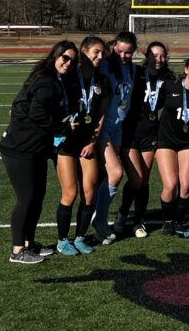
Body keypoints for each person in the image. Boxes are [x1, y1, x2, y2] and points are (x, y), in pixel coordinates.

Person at [0, 41, 78, 263]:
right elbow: (37, 115)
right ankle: (17, 251)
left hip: (36, 148)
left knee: (37, 197)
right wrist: (63, 127)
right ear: (55, 56)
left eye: (72, 60)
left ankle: (29, 243)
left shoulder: (55, 80)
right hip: (19, 148)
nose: (68, 63)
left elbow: (20, 106)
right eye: (65, 57)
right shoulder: (46, 81)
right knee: (26, 198)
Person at [54, 36, 110, 256]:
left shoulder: (102, 81)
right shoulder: (69, 77)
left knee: (89, 192)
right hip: (67, 142)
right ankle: (62, 240)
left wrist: (93, 141)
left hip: (88, 143)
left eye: (102, 53)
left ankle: (79, 237)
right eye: (95, 51)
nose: (99, 56)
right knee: (70, 192)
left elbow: (101, 115)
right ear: (84, 51)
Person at [116, 41, 173, 239]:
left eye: (162, 55)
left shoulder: (168, 78)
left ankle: (138, 221)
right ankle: (123, 211)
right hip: (130, 132)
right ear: (146, 55)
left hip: (151, 133)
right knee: (136, 179)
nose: (158, 59)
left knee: (144, 181)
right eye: (154, 55)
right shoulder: (136, 73)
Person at [93, 31, 138, 245]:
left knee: (104, 177)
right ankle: (100, 221)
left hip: (118, 127)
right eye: (119, 51)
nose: (122, 56)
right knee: (116, 172)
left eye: (128, 53)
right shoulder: (104, 66)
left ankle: (95, 218)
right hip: (102, 128)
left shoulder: (131, 69)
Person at [155, 56, 189, 236]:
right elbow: (153, 105)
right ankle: (167, 221)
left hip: (188, 142)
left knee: (185, 186)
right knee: (170, 185)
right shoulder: (170, 85)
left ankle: (178, 221)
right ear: (186, 69)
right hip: (166, 140)